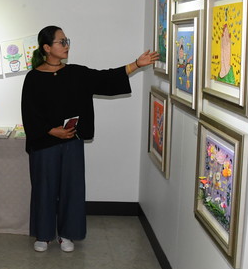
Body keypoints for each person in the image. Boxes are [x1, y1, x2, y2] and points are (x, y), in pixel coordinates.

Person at [21, 25, 158, 253]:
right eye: (61, 42)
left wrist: (136, 64)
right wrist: (51, 131)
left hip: (71, 141)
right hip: (44, 143)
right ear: (47, 47)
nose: (66, 46)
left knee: (71, 189)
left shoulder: (76, 73)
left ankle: (67, 234)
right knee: (44, 189)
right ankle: (43, 235)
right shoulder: (33, 77)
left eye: (67, 41)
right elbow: (29, 112)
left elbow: (105, 78)